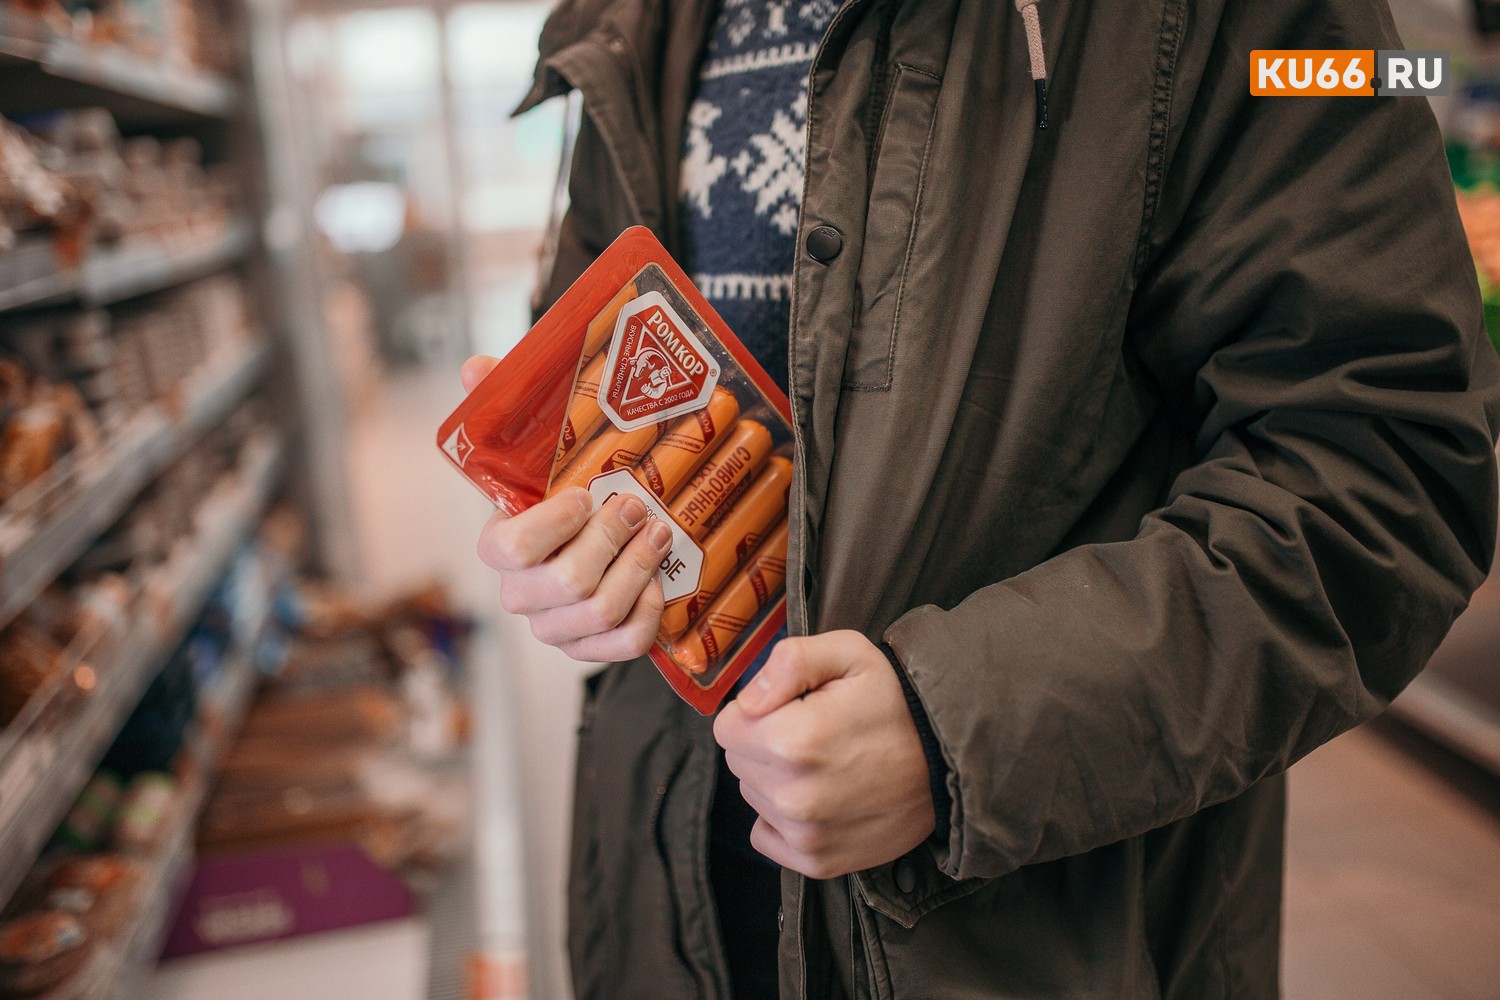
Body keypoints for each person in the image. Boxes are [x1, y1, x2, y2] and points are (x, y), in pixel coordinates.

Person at [462, 0, 1500, 997]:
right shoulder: (633, 15)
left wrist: (960, 732)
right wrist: (569, 548)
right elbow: (597, 371)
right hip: (667, 908)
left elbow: (1380, 474)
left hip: (1038, 935)